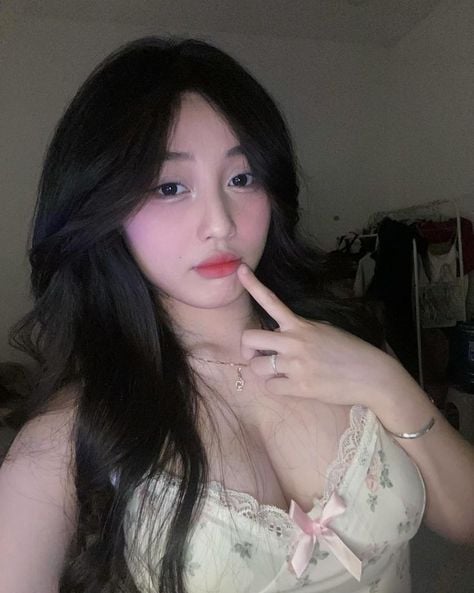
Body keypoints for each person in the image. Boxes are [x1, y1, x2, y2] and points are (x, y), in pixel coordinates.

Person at [0, 37, 472, 593]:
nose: (221, 223)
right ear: (103, 208)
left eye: (242, 178)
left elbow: (465, 520)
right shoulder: (67, 438)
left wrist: (384, 381)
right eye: (169, 187)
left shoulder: (345, 339)